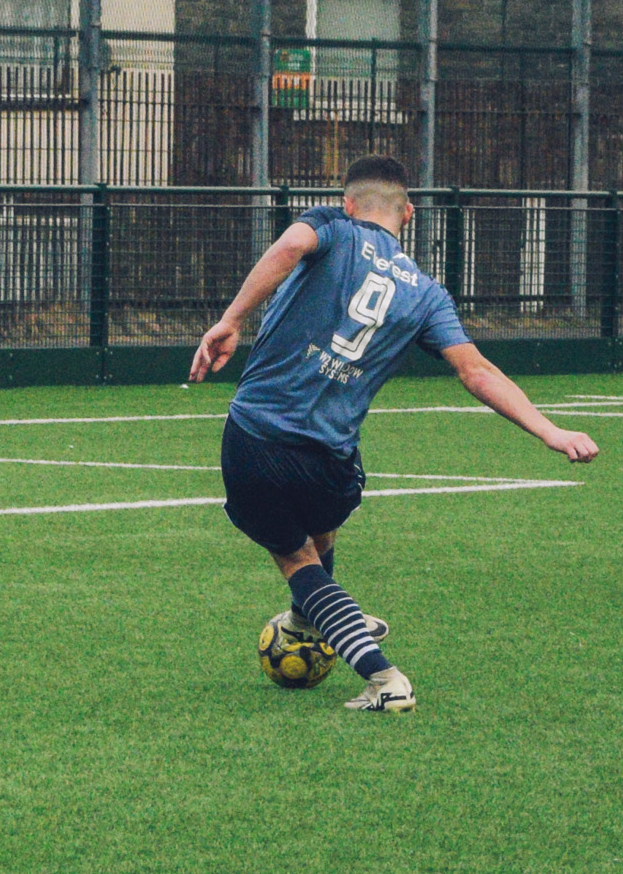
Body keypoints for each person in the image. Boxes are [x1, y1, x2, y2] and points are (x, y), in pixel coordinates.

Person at [188, 155, 598, 712]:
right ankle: (317, 614)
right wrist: (548, 430)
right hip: (333, 460)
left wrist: (232, 318)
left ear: (350, 201)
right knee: (320, 531)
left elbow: (289, 247)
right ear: (409, 213)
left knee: (295, 559)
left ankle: (383, 678)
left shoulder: (330, 226)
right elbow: (475, 371)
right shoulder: (428, 293)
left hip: (259, 434)